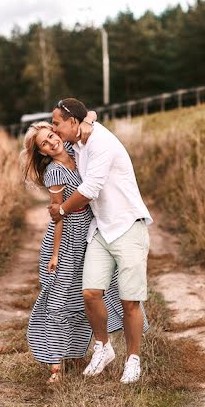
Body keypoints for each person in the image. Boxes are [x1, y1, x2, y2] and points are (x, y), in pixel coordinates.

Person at [20, 121, 142, 382]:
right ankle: (55, 363)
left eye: (52, 135)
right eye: (44, 143)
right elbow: (58, 216)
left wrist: (89, 118)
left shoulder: (76, 150)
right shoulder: (54, 172)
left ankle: (86, 352)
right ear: (42, 152)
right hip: (68, 238)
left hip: (92, 231)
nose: (52, 142)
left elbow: (85, 123)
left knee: (94, 292)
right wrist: (55, 254)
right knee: (59, 297)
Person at [48, 98, 152, 384]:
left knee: (130, 300)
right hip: (101, 229)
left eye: (57, 123)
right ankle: (103, 348)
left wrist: (61, 210)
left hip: (127, 225)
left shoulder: (101, 144)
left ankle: (133, 360)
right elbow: (88, 116)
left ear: (72, 123)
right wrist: (88, 119)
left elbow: (91, 188)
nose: (54, 130)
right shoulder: (79, 139)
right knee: (91, 293)